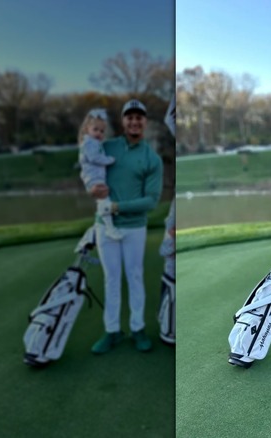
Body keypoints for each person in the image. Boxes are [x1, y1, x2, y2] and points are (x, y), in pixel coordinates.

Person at [88, 98, 164, 354]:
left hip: (134, 227)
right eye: (129, 117)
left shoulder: (151, 158)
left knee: (134, 276)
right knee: (111, 279)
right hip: (104, 226)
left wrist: (118, 207)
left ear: (145, 122)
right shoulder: (106, 147)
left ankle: (138, 328)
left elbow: (151, 201)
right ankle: (112, 331)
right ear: (123, 121)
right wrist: (91, 187)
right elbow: (88, 166)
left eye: (139, 117)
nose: (134, 121)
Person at [78, 109, 122, 240]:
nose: (99, 133)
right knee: (104, 201)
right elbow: (94, 158)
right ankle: (109, 229)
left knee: (104, 202)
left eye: (102, 131)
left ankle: (98, 229)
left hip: (96, 177)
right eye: (95, 129)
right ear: (87, 129)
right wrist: (109, 160)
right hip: (93, 177)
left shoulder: (95, 143)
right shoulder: (88, 143)